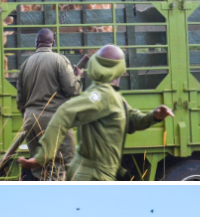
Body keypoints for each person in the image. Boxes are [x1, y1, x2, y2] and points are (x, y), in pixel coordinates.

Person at [18, 44, 174, 180]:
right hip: (92, 176)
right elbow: (65, 112)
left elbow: (131, 120)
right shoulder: (100, 95)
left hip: (101, 174)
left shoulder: (113, 96)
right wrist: (44, 154)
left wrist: (153, 117)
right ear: (121, 69)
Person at [15, 29, 79, 180]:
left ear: (36, 43)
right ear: (53, 43)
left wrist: (28, 116)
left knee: (39, 167)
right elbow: (73, 90)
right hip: (54, 120)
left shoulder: (25, 64)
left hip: (30, 119)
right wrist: (77, 78)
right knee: (64, 162)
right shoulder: (59, 60)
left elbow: (20, 99)